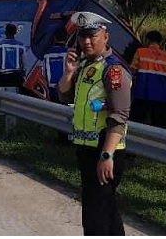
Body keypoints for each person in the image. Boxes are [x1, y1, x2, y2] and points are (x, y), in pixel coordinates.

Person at [58, 12, 132, 236]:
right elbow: (64, 96)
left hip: (105, 151)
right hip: (87, 149)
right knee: (105, 209)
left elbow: (120, 115)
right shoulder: (85, 66)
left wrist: (106, 155)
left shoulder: (113, 69)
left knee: (95, 216)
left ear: (106, 36)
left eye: (93, 36)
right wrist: (69, 73)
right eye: (82, 37)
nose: (86, 41)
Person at [129, 30, 166, 128]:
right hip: (161, 95)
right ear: (160, 41)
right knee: (159, 125)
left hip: (142, 93)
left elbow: (132, 70)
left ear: (147, 40)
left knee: (136, 122)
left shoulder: (140, 52)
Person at [0, 23, 26, 91]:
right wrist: (24, 74)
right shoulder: (21, 45)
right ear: (15, 32)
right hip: (17, 76)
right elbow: (24, 62)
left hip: (2, 76)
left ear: (5, 32)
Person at [41, 27, 69, 103]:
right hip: (65, 89)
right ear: (66, 37)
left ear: (54, 38)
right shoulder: (69, 53)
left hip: (52, 89)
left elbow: (44, 72)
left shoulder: (47, 54)